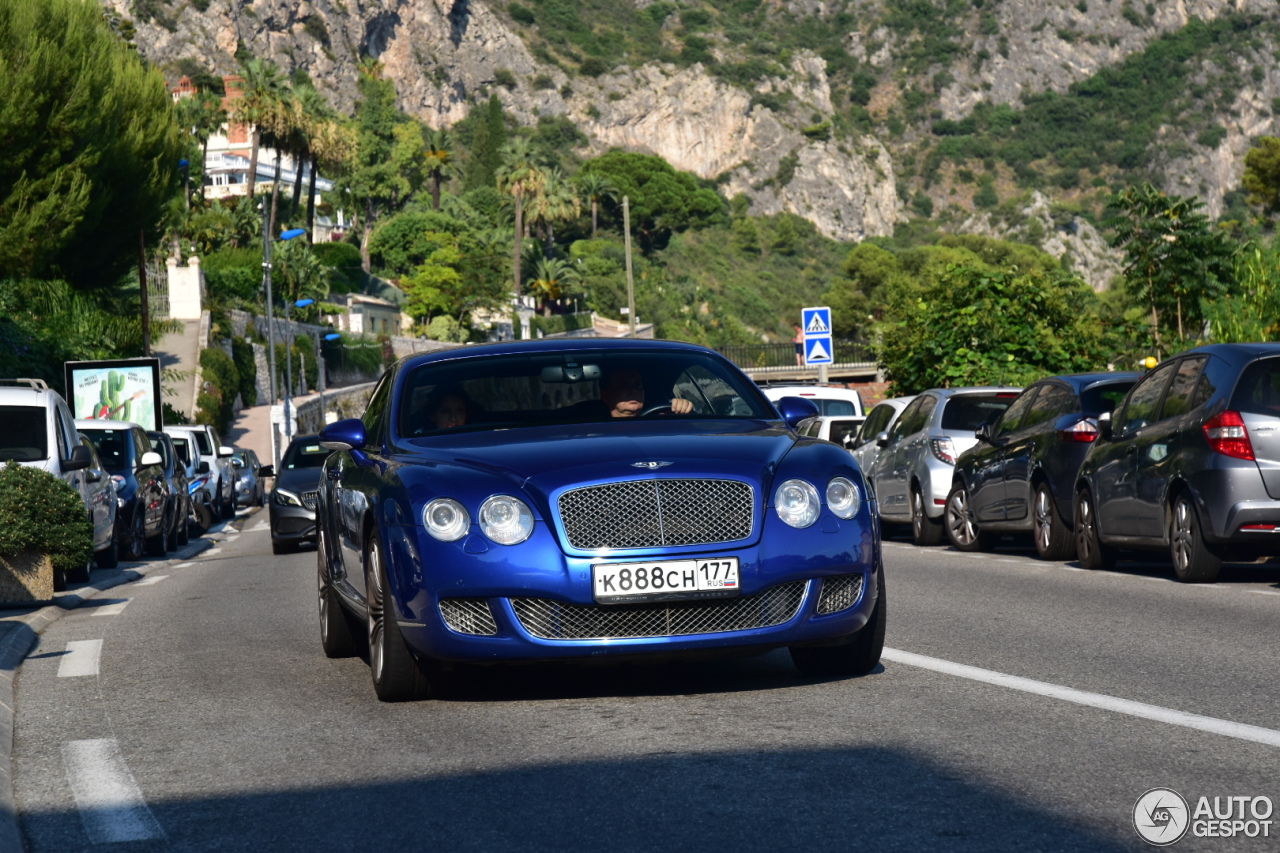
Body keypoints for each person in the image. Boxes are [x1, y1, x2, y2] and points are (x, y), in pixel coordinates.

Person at [575, 368, 694, 419]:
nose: (633, 390)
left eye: (637, 384)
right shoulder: (592, 430)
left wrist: (682, 408)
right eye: (623, 385)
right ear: (605, 395)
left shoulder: (661, 419)